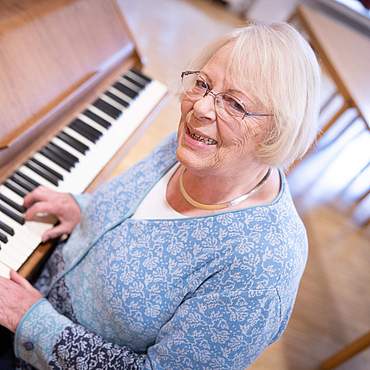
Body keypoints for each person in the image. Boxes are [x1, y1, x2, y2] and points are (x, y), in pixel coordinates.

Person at [0, 21, 320, 370]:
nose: (200, 109)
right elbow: (142, 223)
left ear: (278, 130)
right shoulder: (193, 148)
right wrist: (86, 210)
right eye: (203, 84)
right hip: (30, 290)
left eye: (234, 104)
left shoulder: (260, 269)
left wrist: (32, 322)